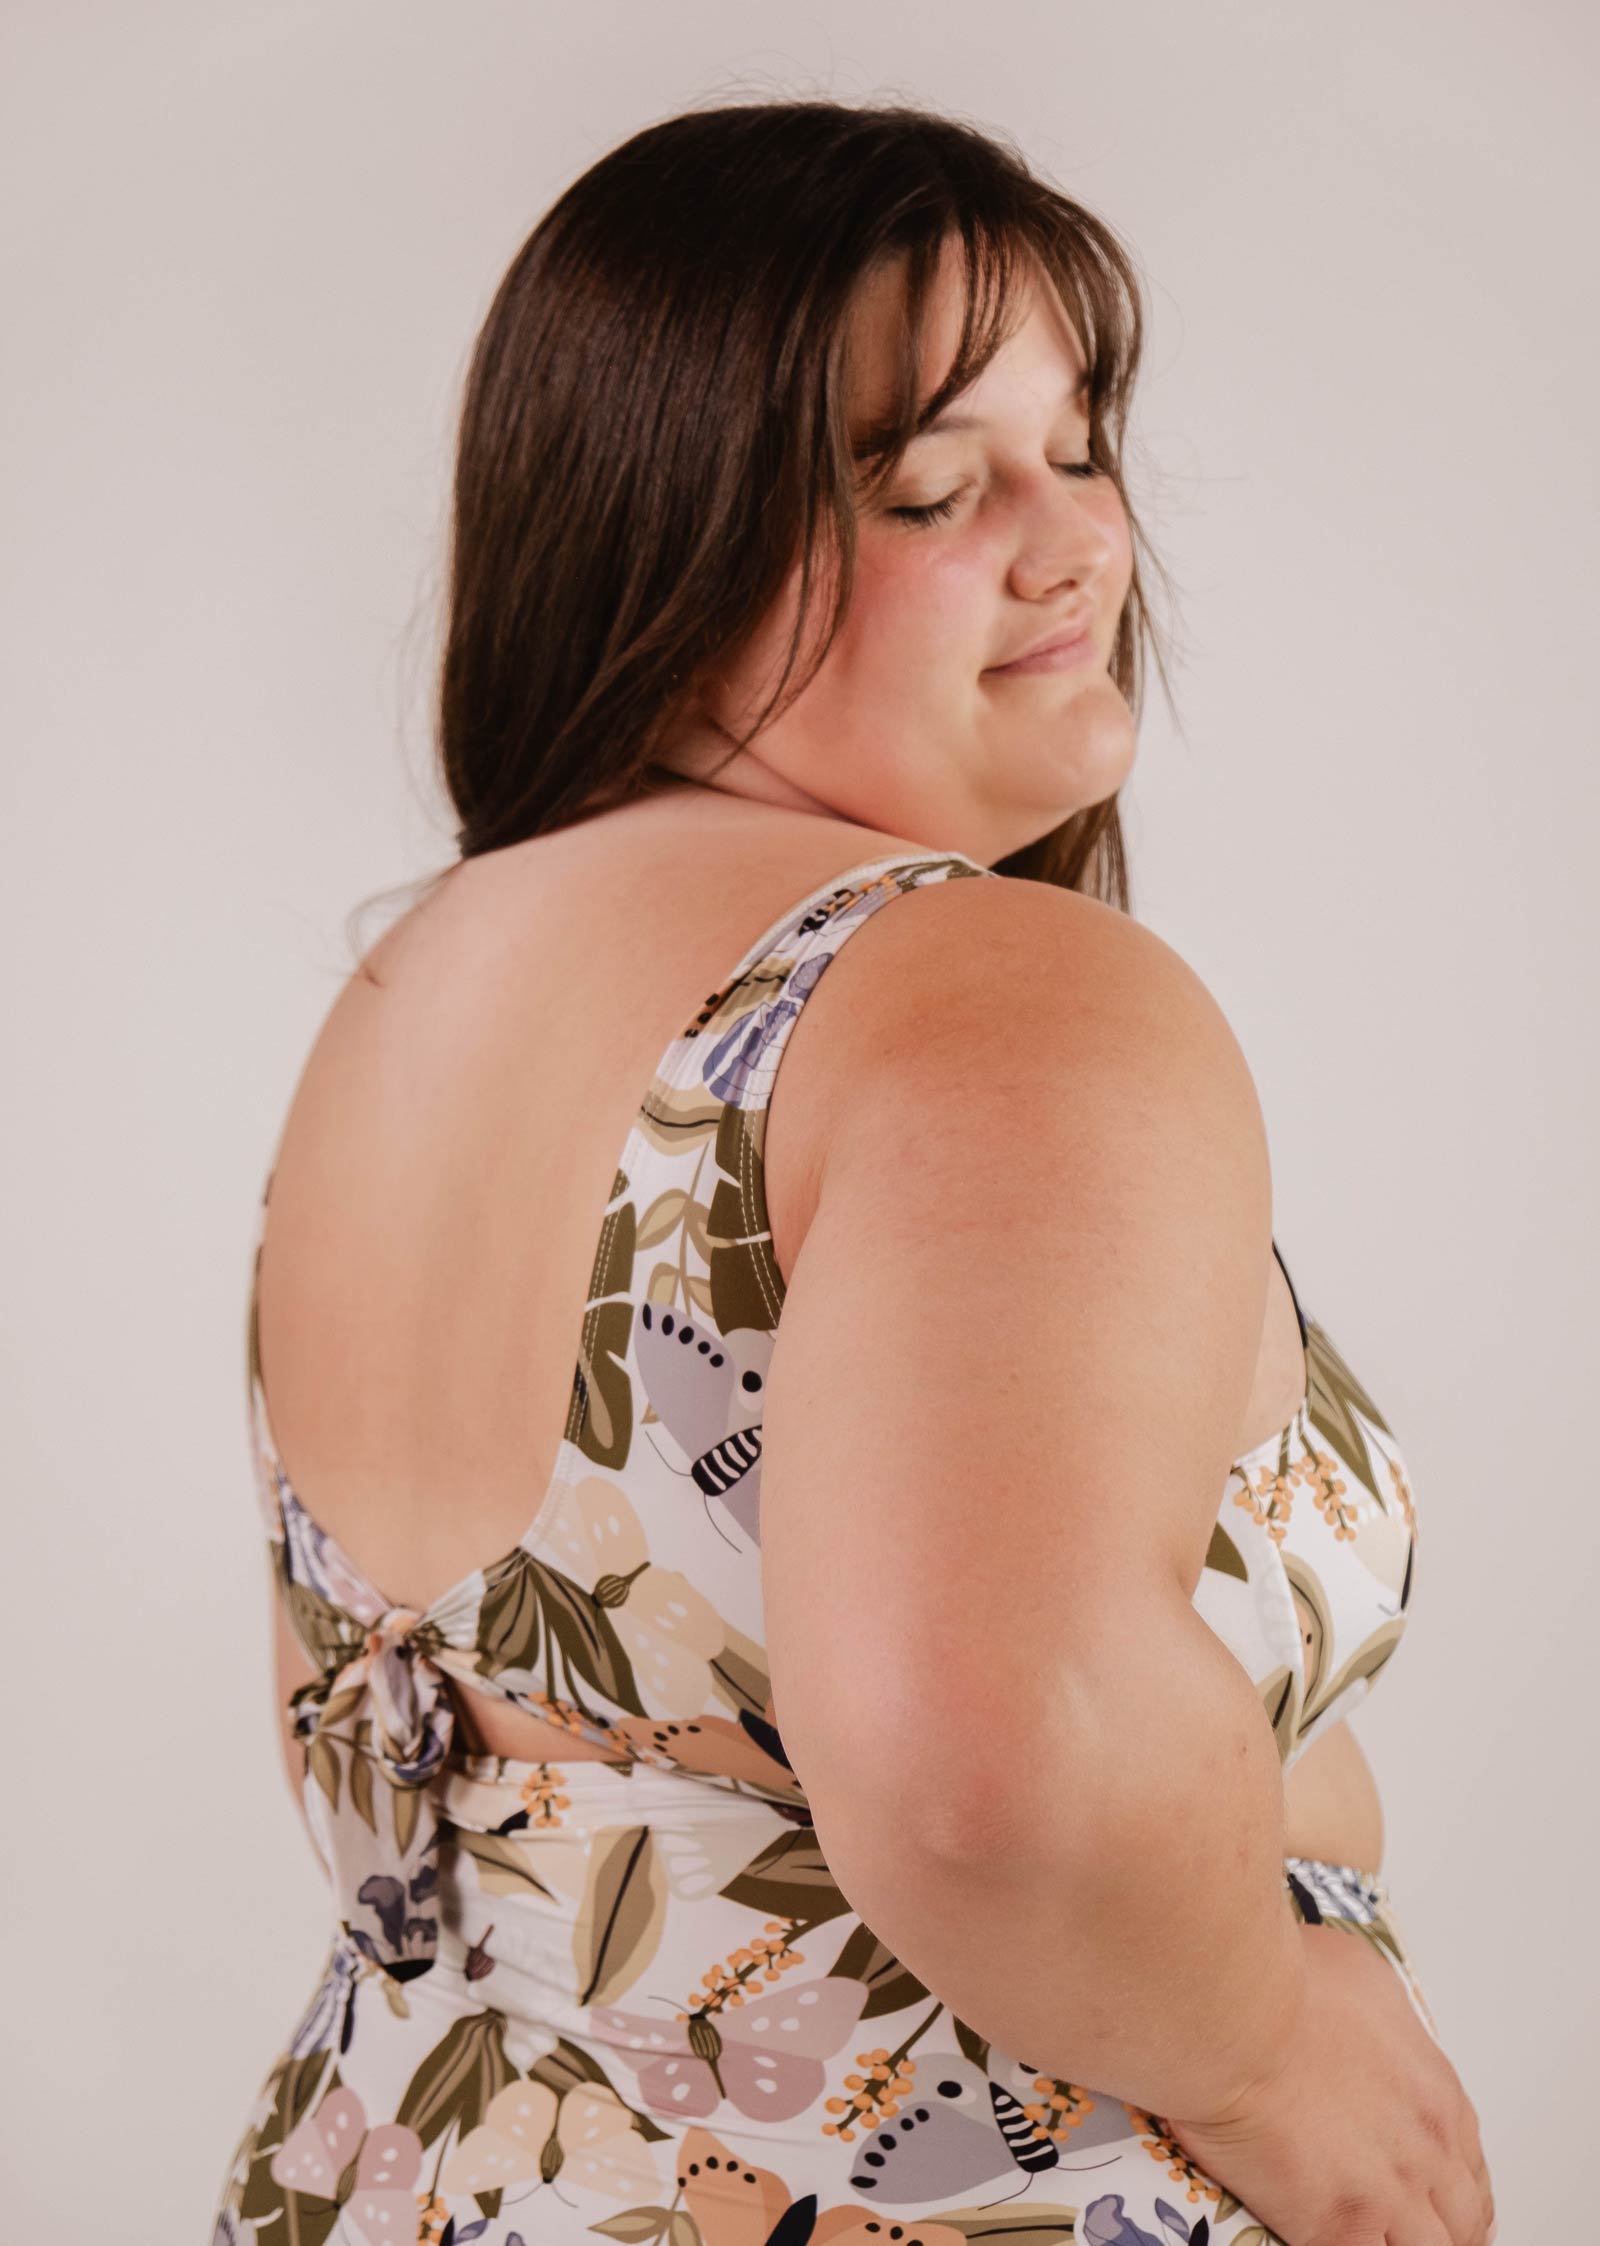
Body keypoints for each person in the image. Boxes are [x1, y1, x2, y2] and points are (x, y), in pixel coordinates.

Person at [211, 98, 1496, 2246]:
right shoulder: (986, 992)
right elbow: (990, 1759)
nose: (1073, 538)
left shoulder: (412, 999)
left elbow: (379, 1752)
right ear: (657, 525)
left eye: (1077, 444)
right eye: (928, 482)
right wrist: (1271, 2049)